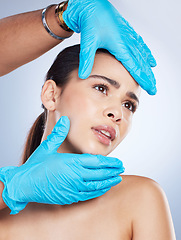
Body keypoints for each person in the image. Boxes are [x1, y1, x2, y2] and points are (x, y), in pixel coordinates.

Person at [0, 1, 176, 239]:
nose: (118, 113)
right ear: (51, 95)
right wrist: (11, 189)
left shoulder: (141, 198)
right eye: (101, 88)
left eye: (128, 105)